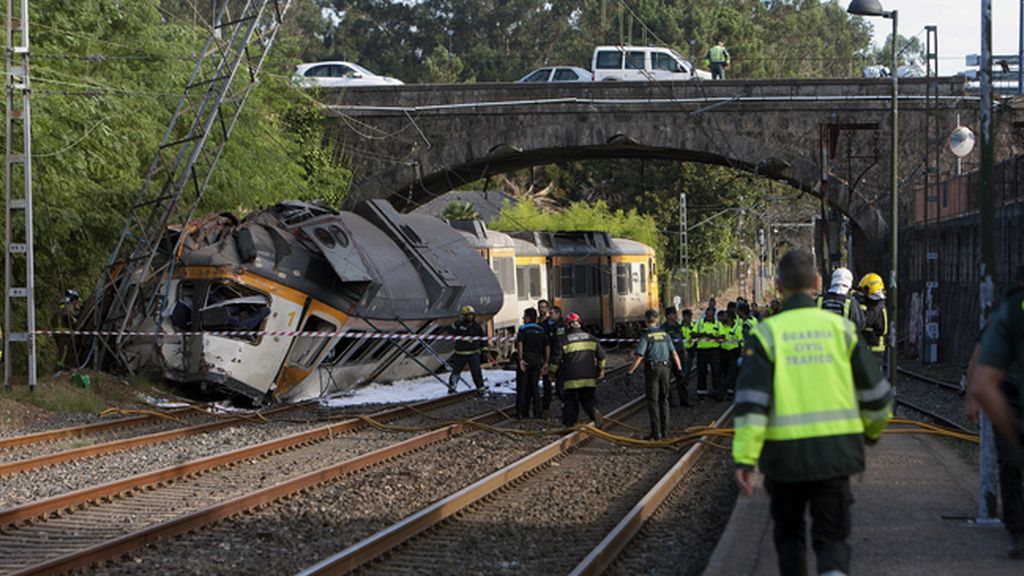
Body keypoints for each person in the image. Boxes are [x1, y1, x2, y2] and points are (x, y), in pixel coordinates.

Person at [734, 248, 893, 576]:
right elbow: (878, 397)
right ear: (817, 282)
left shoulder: (766, 335)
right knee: (832, 539)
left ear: (778, 286)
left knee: (790, 536)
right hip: (835, 455)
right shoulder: (843, 332)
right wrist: (871, 434)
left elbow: (751, 405)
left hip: (784, 459)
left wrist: (745, 459)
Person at [967, 265, 1024, 559]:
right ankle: (1019, 532)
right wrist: (973, 394)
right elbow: (982, 349)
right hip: (1010, 399)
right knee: (1012, 463)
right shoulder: (1008, 313)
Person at [628, 309, 682, 440]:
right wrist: (679, 369)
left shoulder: (647, 336)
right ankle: (665, 432)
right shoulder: (665, 335)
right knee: (664, 400)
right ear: (657, 320)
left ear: (646, 321)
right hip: (666, 368)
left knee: (653, 401)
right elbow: (674, 353)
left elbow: (639, 356)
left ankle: (656, 433)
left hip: (653, 370)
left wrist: (630, 371)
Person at [559, 313, 606, 427]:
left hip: (571, 379)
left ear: (568, 326)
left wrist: (551, 374)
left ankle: (569, 424)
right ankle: (594, 412)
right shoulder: (591, 338)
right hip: (589, 378)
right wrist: (601, 370)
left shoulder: (564, 340)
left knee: (571, 402)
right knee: (588, 400)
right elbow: (602, 356)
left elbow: (555, 360)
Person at [515, 308, 549, 419]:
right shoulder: (541, 330)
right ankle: (537, 411)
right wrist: (546, 362)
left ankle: (521, 411)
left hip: (526, 358)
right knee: (535, 386)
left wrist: (520, 359)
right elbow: (547, 346)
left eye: (524, 316)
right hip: (537, 359)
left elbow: (520, 344)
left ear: (529, 317)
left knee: (522, 386)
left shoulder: (523, 329)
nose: (523, 318)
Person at [447, 305, 489, 393]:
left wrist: (485, 349)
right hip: (460, 354)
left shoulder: (477, 327)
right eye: (468, 315)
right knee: (455, 373)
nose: (470, 317)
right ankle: (452, 388)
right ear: (464, 316)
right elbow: (450, 330)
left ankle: (481, 389)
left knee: (476, 373)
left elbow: (483, 339)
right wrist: (454, 325)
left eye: (471, 315)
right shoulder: (458, 325)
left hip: (473, 354)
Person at [817, 268, 866, 332]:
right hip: (842, 340)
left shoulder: (820, 300)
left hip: (821, 340)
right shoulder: (851, 302)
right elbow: (860, 325)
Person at [662, 307, 691, 407]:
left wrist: (684, 351)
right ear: (668, 316)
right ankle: (669, 402)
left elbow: (681, 339)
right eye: (674, 314)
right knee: (667, 379)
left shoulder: (678, 326)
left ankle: (684, 400)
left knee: (681, 377)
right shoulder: (664, 328)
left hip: (680, 354)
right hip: (669, 355)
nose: (676, 316)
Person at [856, 273, 889, 361]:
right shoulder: (875, 304)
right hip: (870, 349)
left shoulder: (876, 306)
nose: (862, 293)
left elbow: (864, 321)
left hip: (874, 349)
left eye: (864, 290)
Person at [694, 306, 724, 400]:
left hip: (714, 351)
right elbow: (693, 334)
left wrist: (713, 337)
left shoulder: (718, 324)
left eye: (711, 316)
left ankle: (716, 391)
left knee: (716, 371)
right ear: (705, 315)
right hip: (702, 351)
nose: (709, 317)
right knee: (702, 371)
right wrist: (703, 334)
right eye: (708, 315)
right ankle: (701, 393)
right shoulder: (699, 323)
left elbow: (722, 336)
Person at [542, 306, 566, 412]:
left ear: (558, 314)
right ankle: (546, 406)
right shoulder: (547, 324)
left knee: (560, 384)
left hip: (558, 359)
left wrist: (554, 362)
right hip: (549, 357)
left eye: (551, 313)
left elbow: (559, 344)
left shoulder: (561, 326)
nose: (549, 315)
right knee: (547, 382)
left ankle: (565, 405)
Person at [52, 289, 82, 370]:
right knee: (64, 351)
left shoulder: (60, 305)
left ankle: (63, 367)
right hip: (64, 334)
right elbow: (69, 317)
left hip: (58, 333)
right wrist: (76, 321)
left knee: (64, 351)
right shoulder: (68, 306)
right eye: (76, 301)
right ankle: (59, 369)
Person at [719, 309, 742, 401]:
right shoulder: (722, 327)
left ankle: (729, 392)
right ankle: (726, 391)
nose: (722, 318)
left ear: (729, 318)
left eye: (725, 316)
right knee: (724, 372)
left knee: (731, 373)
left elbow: (741, 341)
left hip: (733, 352)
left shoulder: (737, 328)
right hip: (722, 352)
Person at [681, 308, 697, 401]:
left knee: (687, 371)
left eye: (690, 316)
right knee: (682, 371)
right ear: (684, 317)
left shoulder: (693, 326)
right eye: (688, 316)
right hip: (681, 351)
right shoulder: (679, 327)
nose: (689, 318)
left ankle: (685, 386)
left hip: (690, 351)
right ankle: (683, 387)